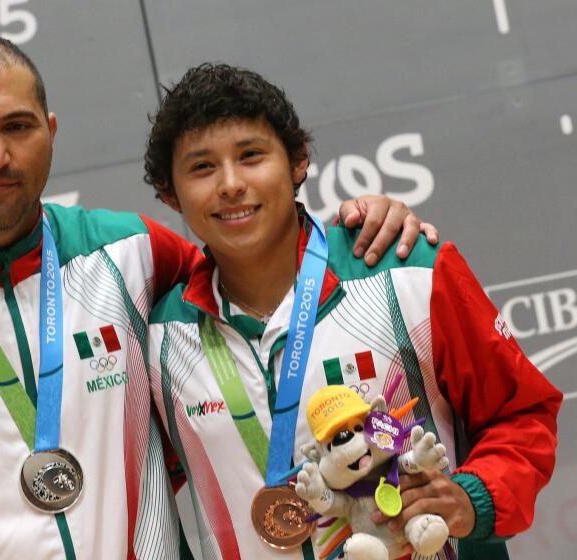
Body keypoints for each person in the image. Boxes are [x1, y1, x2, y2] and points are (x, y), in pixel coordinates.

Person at [0, 35, 435, 559]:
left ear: (52, 131)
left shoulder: (132, 254)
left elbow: (258, 271)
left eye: (18, 126)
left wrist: (361, 223)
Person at [144, 63, 562, 560]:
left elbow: (521, 413)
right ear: (170, 194)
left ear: (298, 161)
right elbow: (134, 493)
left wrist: (473, 499)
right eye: (202, 167)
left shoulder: (407, 271)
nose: (231, 184)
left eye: (251, 156)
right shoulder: (161, 339)